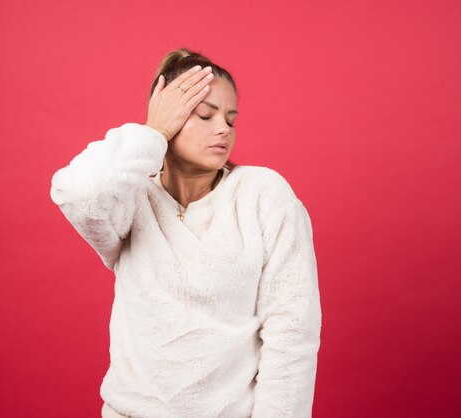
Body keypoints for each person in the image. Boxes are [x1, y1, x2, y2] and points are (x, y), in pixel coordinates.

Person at [50, 48, 322, 418]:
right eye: (205, 114)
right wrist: (154, 131)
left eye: (231, 118)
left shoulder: (264, 194)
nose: (223, 129)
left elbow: (292, 335)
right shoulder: (131, 199)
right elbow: (78, 192)